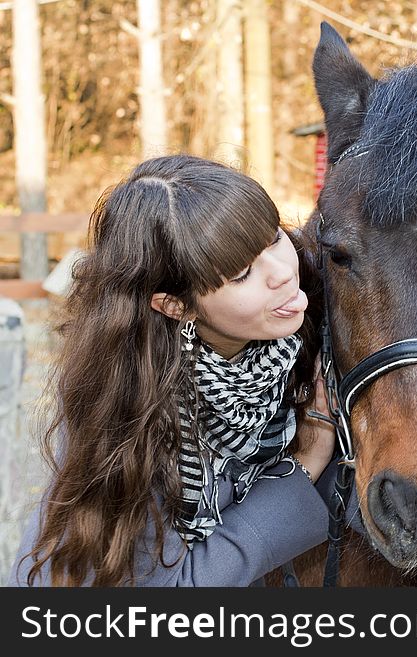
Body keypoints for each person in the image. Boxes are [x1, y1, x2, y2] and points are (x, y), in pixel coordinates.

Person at [9, 154, 335, 586]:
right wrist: (304, 464)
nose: (282, 273)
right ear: (176, 306)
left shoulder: (328, 305)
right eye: (241, 274)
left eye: (273, 238)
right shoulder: (130, 407)